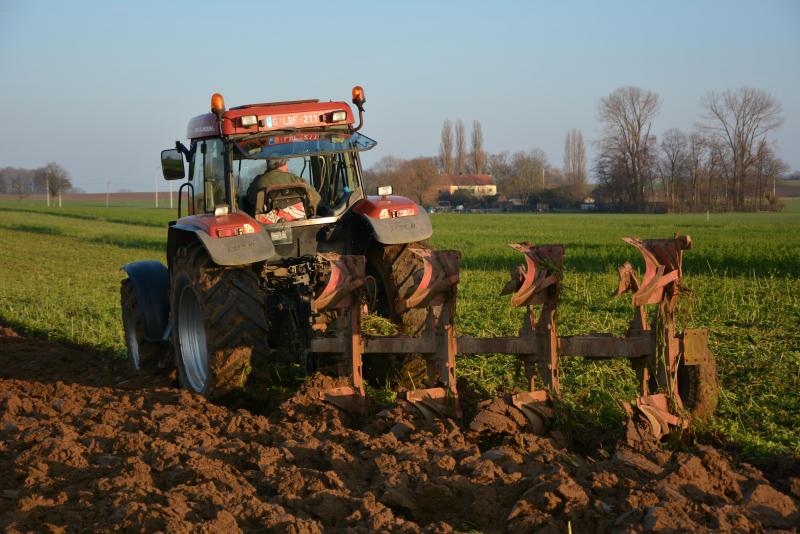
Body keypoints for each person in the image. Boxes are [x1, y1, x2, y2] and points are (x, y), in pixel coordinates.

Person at [245, 159, 321, 214]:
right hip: (300, 222)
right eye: (286, 163)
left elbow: (250, 201)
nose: (287, 166)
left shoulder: (257, 182)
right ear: (282, 164)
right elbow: (317, 199)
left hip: (266, 227)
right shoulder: (296, 180)